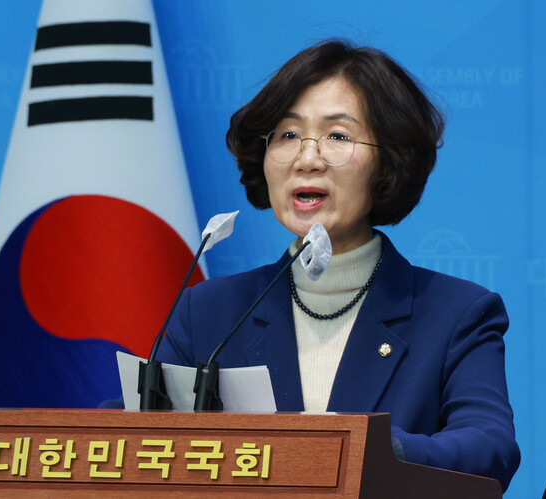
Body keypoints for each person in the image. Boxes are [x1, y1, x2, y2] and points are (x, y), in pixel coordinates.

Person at [156, 39, 520, 491]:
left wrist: (369, 449)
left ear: (387, 162)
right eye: (288, 135)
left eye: (338, 137)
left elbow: (489, 448)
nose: (307, 159)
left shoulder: (455, 314)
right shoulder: (209, 312)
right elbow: (126, 435)